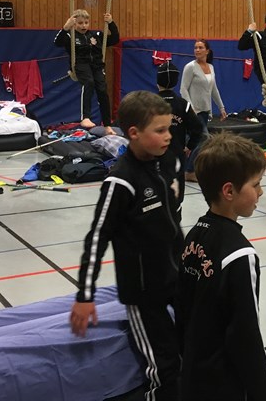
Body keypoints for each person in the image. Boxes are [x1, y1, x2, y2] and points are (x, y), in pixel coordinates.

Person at [71, 91, 183, 401]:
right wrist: (85, 296)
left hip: (175, 279)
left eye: (169, 128)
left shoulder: (166, 163)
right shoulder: (120, 181)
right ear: (133, 133)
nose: (168, 136)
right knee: (165, 367)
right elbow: (97, 238)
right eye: (160, 130)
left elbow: (172, 225)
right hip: (144, 293)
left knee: (191, 348)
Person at [177, 133, 266, 401]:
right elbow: (246, 335)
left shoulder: (194, 234)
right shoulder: (240, 254)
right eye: (256, 184)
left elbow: (182, 309)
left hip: (193, 374)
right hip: (223, 383)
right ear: (229, 191)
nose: (261, 192)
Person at [54, 9, 119, 129]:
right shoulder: (70, 36)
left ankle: (107, 124)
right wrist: (66, 27)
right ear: (74, 24)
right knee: (89, 82)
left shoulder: (96, 35)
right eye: (80, 23)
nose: (83, 26)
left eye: (86, 23)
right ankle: (85, 117)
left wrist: (111, 23)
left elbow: (115, 39)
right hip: (81, 65)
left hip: (97, 66)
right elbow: (57, 42)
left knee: (102, 90)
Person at [155, 59, 206, 189]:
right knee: (176, 190)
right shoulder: (183, 104)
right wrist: (189, 146)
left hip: (154, 154)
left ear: (157, 82)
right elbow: (198, 128)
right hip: (177, 154)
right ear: (175, 82)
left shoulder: (150, 103)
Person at [180, 39, 227, 132]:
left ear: (207, 51)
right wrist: (191, 109)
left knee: (198, 138)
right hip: (194, 112)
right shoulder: (190, 67)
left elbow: (214, 90)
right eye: (195, 48)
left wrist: (221, 108)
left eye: (200, 48)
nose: (197, 50)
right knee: (203, 137)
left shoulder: (211, 67)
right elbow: (183, 89)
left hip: (206, 111)